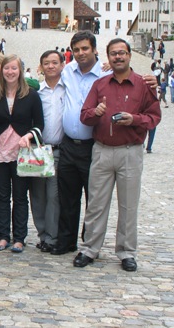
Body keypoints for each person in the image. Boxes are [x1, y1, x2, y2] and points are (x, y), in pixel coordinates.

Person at [74, 38, 160, 272]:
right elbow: (85, 115)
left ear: (129, 55)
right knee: (96, 205)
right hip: (102, 150)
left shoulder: (143, 85)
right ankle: (90, 248)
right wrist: (96, 112)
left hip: (130, 151)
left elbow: (154, 117)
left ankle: (126, 252)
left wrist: (135, 120)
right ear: (108, 58)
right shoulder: (100, 84)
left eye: (122, 53)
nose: (118, 57)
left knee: (128, 205)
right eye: (113, 54)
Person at [51, 31, 108, 256]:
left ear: (94, 49)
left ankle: (88, 245)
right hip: (69, 145)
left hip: (93, 145)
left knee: (93, 199)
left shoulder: (106, 74)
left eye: (85, 48)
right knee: (67, 196)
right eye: (76, 50)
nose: (81, 53)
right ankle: (66, 242)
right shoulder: (67, 72)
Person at [0, 54, 44, 253]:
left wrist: (28, 136)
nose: (10, 72)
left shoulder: (31, 94)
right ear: (2, 71)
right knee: (1, 196)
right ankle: (3, 236)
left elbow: (40, 124)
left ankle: (19, 237)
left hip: (21, 151)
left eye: (14, 68)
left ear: (20, 71)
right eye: (6, 68)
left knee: (19, 197)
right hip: (0, 151)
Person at [31, 49, 65, 253]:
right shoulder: (36, 92)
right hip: (38, 149)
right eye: (46, 63)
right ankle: (42, 234)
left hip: (59, 149)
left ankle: (53, 237)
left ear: (62, 65)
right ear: (41, 67)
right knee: (37, 195)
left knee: (54, 195)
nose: (50, 66)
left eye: (54, 62)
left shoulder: (67, 89)